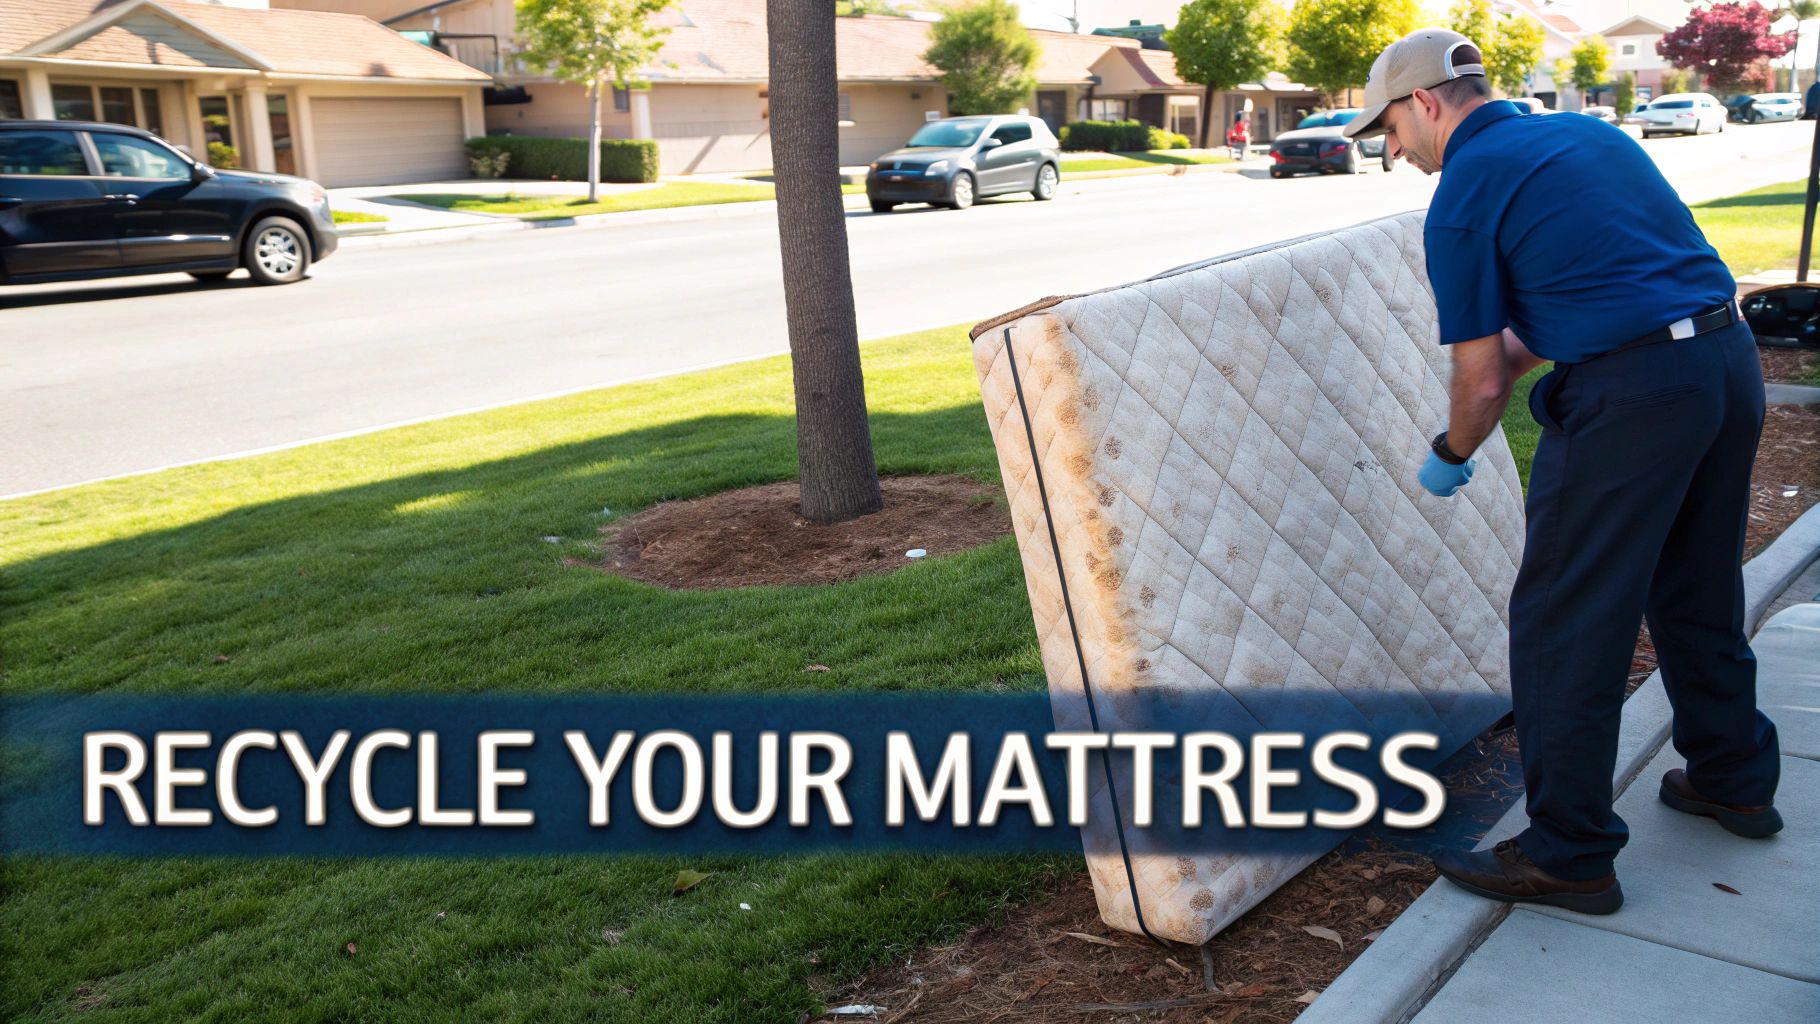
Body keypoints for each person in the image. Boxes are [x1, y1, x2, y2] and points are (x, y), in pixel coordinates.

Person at [1343, 29, 1782, 915]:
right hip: (1725, 366)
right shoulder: (1591, 138)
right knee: (1694, 586)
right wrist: (1503, 369)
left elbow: (1478, 377)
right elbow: (1587, 296)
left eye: (1388, 129)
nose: (1393, 153)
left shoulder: (1464, 194)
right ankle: (1734, 779)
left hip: (1634, 400)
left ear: (1424, 102)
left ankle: (1568, 854)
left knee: (1564, 620)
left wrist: (1450, 454)